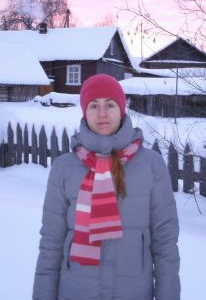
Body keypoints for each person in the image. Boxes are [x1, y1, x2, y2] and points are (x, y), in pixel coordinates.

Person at [33, 73, 180, 300]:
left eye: (110, 105)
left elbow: (165, 243)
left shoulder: (151, 165)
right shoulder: (64, 168)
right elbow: (51, 243)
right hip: (76, 291)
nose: (102, 113)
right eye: (94, 105)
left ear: (121, 109)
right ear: (85, 111)